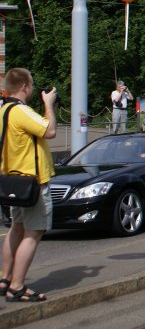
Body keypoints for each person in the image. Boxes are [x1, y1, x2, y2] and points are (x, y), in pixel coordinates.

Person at [0, 68, 57, 302]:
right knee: (33, 233)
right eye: (31, 85)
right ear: (24, 86)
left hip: (12, 180)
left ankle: (5, 278)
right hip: (32, 182)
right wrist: (49, 104)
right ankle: (17, 285)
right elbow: (50, 130)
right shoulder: (21, 111)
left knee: (16, 228)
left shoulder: (3, 110)